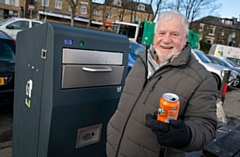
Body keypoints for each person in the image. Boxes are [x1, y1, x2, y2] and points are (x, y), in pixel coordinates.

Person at [106, 10, 218, 157]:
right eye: (161, 33)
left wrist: (185, 135)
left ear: (185, 38)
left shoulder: (201, 78)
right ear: (154, 36)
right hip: (114, 149)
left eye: (174, 34)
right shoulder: (141, 61)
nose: (166, 40)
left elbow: (206, 128)